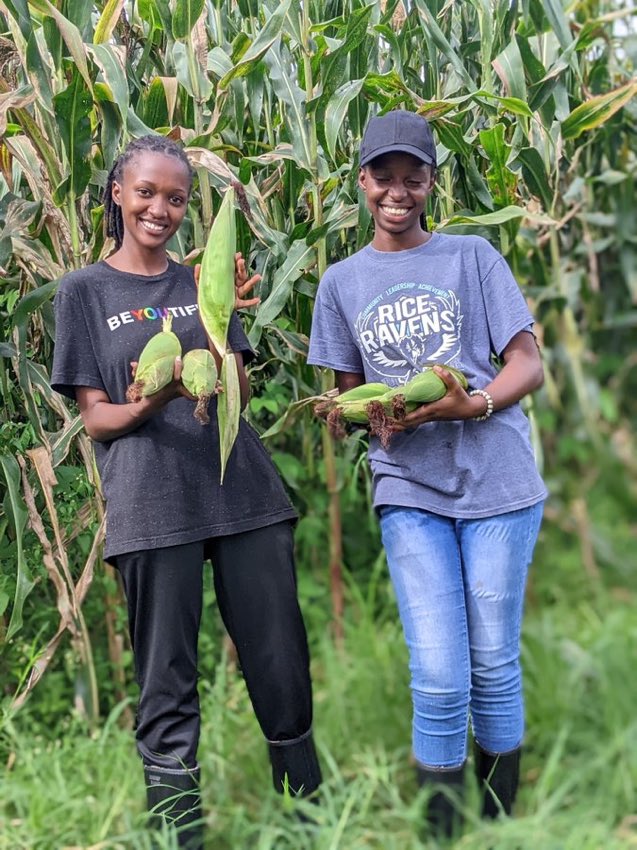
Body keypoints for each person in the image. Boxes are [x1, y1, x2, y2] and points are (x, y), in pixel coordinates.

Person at [51, 135, 321, 850]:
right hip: (150, 506)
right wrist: (157, 394)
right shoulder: (84, 293)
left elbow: (233, 386)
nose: (161, 209)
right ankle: (181, 838)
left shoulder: (202, 281)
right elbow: (99, 419)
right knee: (166, 682)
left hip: (242, 496)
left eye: (176, 198)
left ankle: (310, 822)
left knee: (280, 666)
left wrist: (224, 311)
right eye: (146, 192)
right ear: (117, 192)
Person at [308, 110, 547, 836]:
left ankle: (500, 824)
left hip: (498, 483)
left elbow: (527, 364)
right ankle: (443, 830)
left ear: (431, 183)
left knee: (492, 664)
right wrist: (358, 416)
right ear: (361, 182)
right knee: (440, 673)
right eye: (384, 177)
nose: (397, 192)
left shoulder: (471, 259)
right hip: (408, 488)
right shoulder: (340, 282)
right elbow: (351, 394)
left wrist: (464, 405)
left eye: (413, 178)